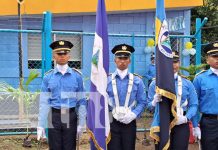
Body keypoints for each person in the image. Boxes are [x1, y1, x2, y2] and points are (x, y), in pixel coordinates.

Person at [37, 40, 87, 150]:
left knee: (70, 147)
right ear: (54, 55)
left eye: (65, 53)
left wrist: (82, 122)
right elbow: (44, 102)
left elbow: (82, 101)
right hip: (54, 116)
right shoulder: (48, 77)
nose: (62, 56)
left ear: (69, 56)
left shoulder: (77, 76)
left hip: (70, 116)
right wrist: (40, 124)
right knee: (54, 147)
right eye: (59, 54)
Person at [147, 50, 198, 150]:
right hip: (162, 123)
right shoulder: (155, 83)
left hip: (181, 123)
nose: (172, 65)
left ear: (179, 63)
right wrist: (153, 101)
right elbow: (149, 107)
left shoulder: (187, 83)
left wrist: (186, 118)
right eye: (169, 62)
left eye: (175, 62)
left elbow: (194, 104)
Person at [107, 44, 147, 150]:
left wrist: (134, 114)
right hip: (111, 121)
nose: (122, 61)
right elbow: (101, 102)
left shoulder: (137, 81)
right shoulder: (106, 80)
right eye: (120, 58)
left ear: (129, 61)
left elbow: (142, 102)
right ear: (115, 60)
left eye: (125, 58)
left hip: (129, 121)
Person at [192, 42, 218, 150]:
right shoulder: (200, 79)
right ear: (207, 60)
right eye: (215, 56)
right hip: (209, 123)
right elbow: (194, 103)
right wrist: (195, 125)